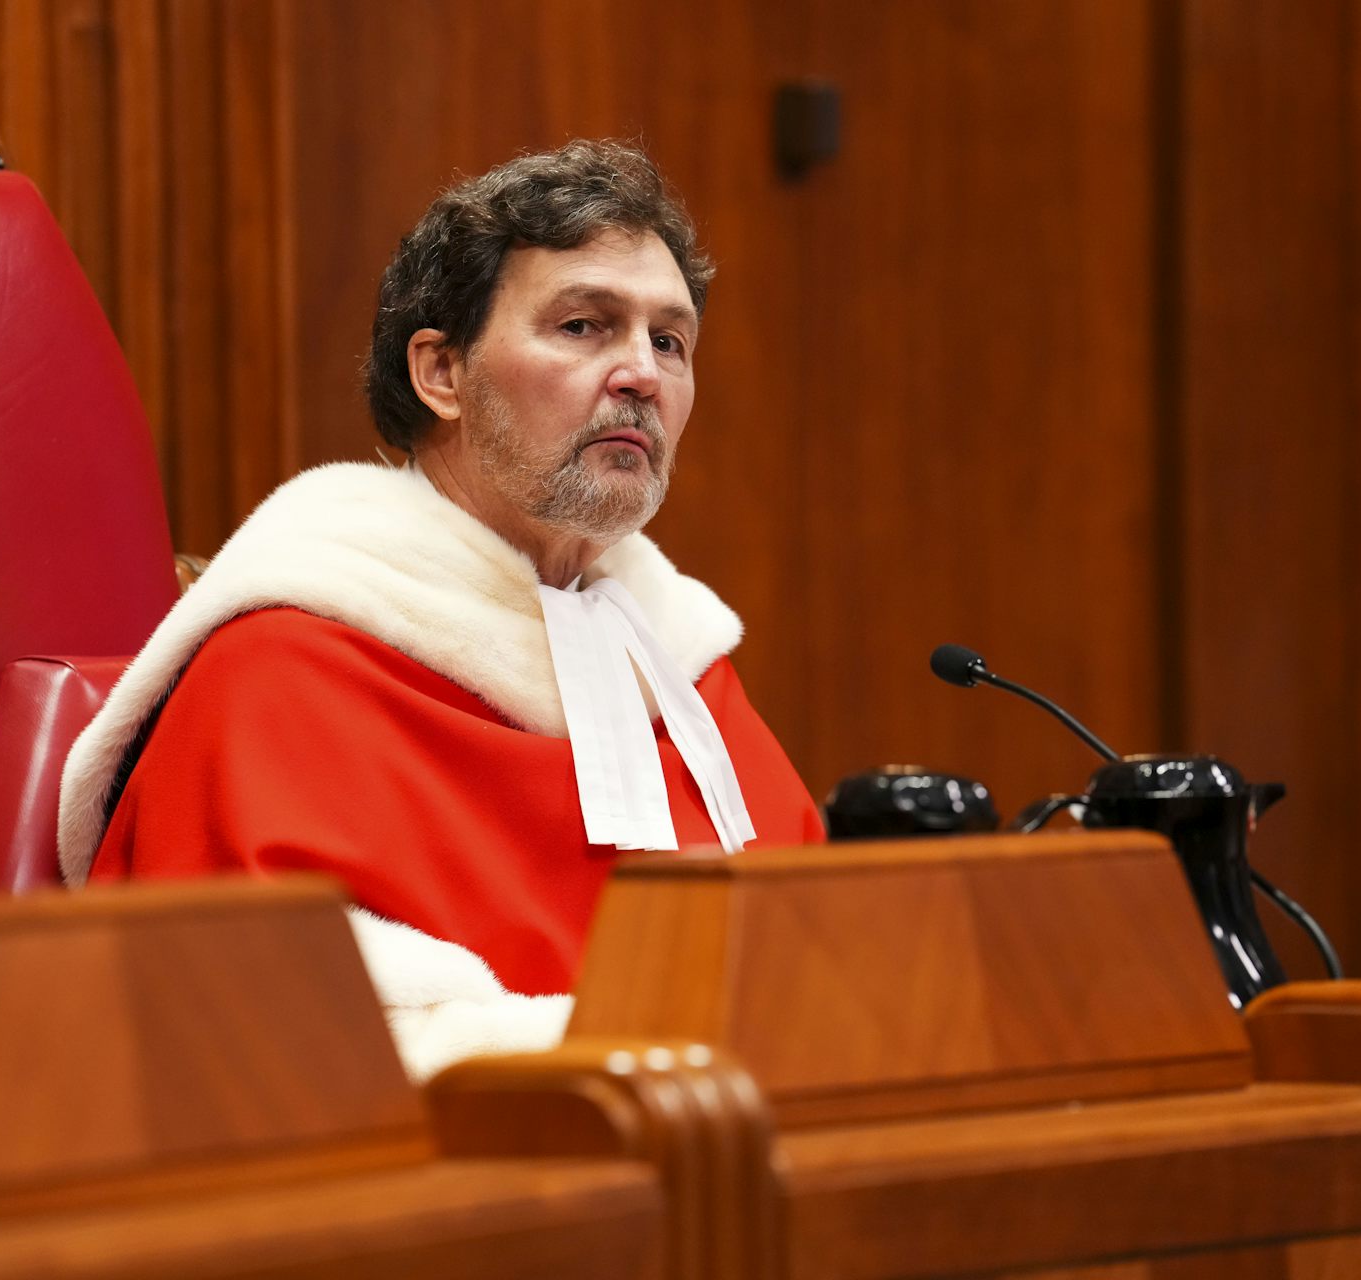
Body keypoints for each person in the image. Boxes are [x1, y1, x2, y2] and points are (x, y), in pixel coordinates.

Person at [58, 140, 824, 1078]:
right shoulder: (282, 672)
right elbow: (264, 1048)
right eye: (585, 325)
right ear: (442, 374)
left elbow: (824, 978)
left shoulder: (683, 677)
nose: (643, 375)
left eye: (669, 341)